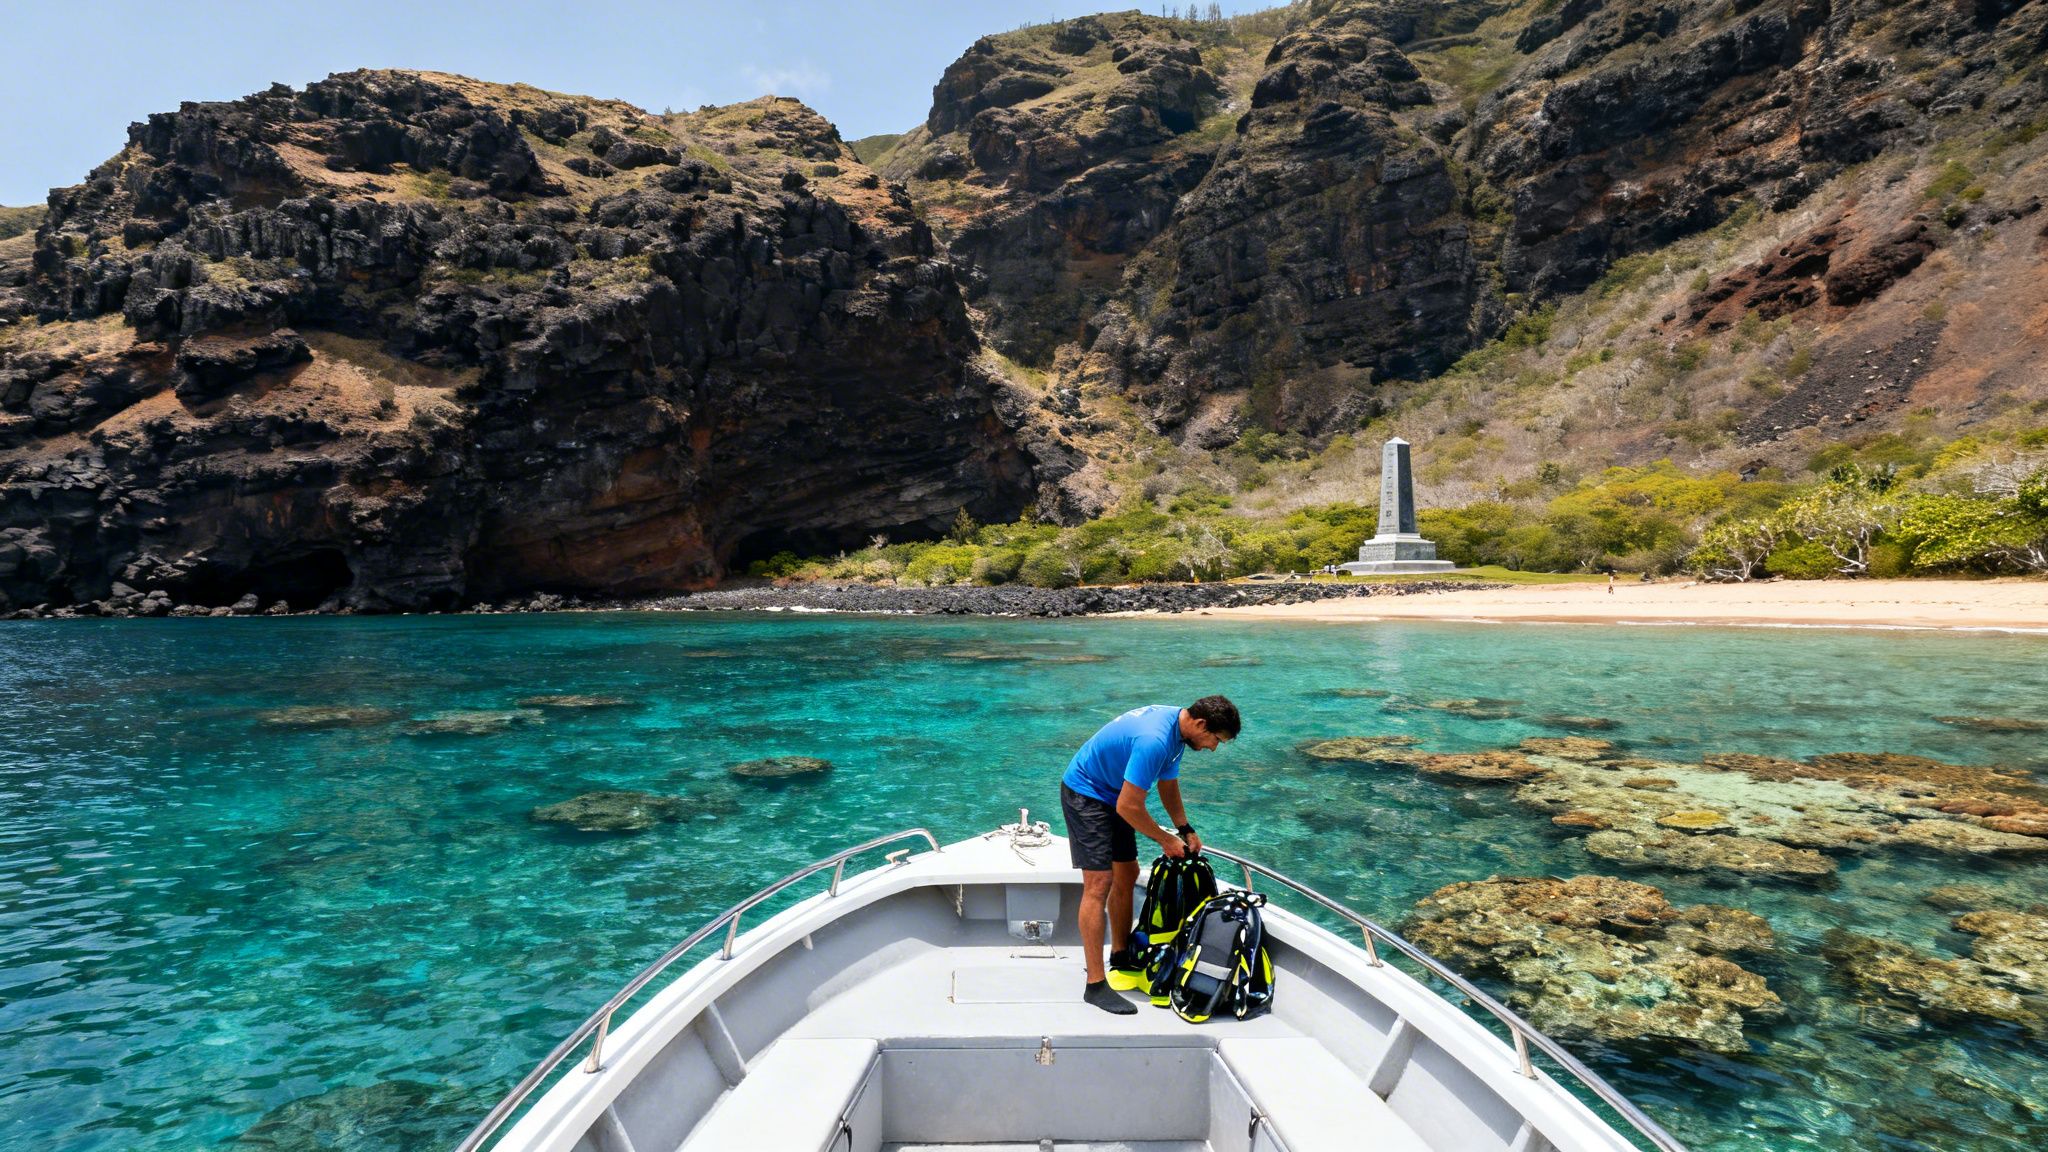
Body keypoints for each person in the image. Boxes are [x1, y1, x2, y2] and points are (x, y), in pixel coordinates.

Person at [1059, 695, 1240, 1014]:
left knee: (1127, 874)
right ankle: (1096, 985)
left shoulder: (1177, 734)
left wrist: (1184, 828)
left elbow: (1167, 786)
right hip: (1086, 794)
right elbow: (1129, 806)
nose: (1213, 748)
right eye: (1215, 739)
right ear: (1200, 724)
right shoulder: (1155, 740)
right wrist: (1165, 840)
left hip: (1114, 795)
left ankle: (1120, 954)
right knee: (1099, 884)